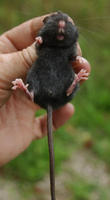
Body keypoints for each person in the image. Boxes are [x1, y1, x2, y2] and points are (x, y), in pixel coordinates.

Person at [0, 14, 90, 166]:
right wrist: (39, 43)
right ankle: (30, 91)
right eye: (55, 22)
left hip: (60, 94)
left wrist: (76, 58)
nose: (61, 25)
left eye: (66, 23)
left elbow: (73, 54)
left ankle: (71, 84)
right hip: (41, 89)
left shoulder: (70, 46)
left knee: (70, 75)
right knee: (33, 75)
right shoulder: (42, 41)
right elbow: (39, 43)